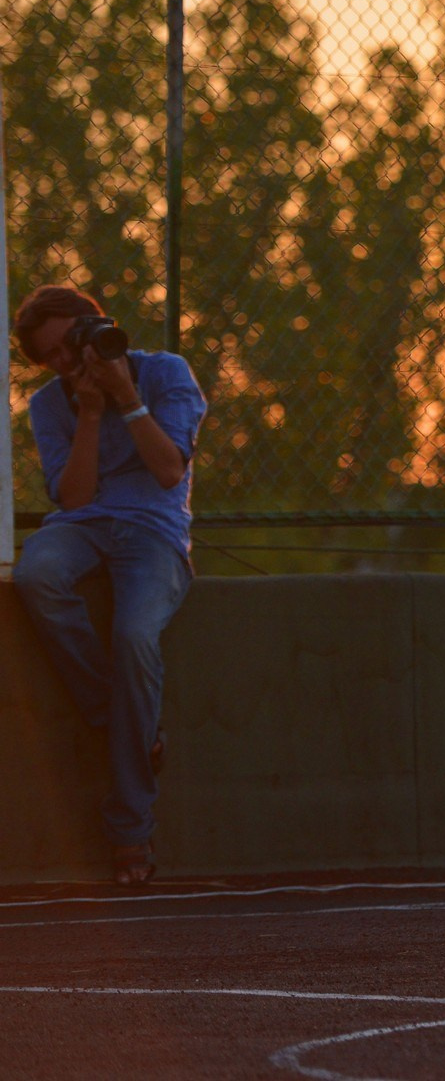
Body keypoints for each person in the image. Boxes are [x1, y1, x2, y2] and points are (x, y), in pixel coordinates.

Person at [11, 285, 207, 888]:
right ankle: (123, 721)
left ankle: (129, 830)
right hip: (83, 525)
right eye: (53, 359)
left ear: (96, 324)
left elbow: (170, 469)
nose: (68, 362)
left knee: (133, 635)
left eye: (72, 343)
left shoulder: (165, 372)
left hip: (154, 531)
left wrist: (125, 398)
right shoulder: (51, 404)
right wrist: (91, 411)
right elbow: (74, 497)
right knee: (35, 575)